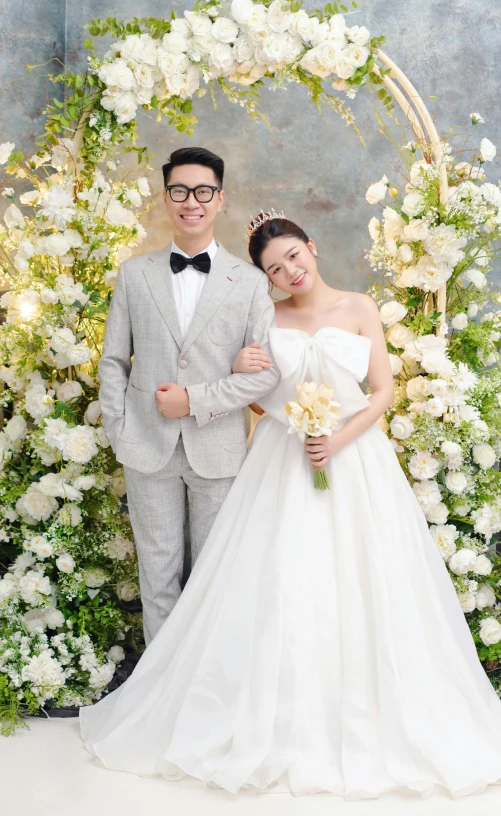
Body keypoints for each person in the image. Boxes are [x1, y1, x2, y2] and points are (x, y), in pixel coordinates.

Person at [81, 213, 501, 799]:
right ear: (265, 277)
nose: (289, 273)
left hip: (352, 458)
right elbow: (254, 396)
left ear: (313, 247)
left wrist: (335, 439)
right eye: (274, 269)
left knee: (364, 579)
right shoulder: (266, 316)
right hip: (281, 455)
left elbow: (383, 390)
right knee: (278, 578)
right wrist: (261, 396)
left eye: (293, 258)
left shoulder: (358, 307)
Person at [98, 148, 279, 645]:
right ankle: (159, 697)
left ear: (219, 199)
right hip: (146, 447)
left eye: (203, 192)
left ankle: (207, 692)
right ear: (166, 198)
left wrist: (193, 399)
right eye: (180, 191)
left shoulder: (249, 282)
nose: (190, 202)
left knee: (213, 578)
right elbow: (113, 360)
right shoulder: (135, 275)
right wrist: (119, 429)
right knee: (157, 578)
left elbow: (265, 376)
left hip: (217, 449)